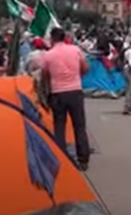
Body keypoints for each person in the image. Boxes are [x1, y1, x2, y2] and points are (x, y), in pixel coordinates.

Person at [41, 27, 91, 170]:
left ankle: (60, 156)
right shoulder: (75, 50)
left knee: (59, 126)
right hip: (75, 90)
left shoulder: (48, 55)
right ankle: (83, 159)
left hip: (57, 93)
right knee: (79, 126)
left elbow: (45, 74)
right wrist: (77, 75)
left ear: (53, 39)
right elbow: (86, 67)